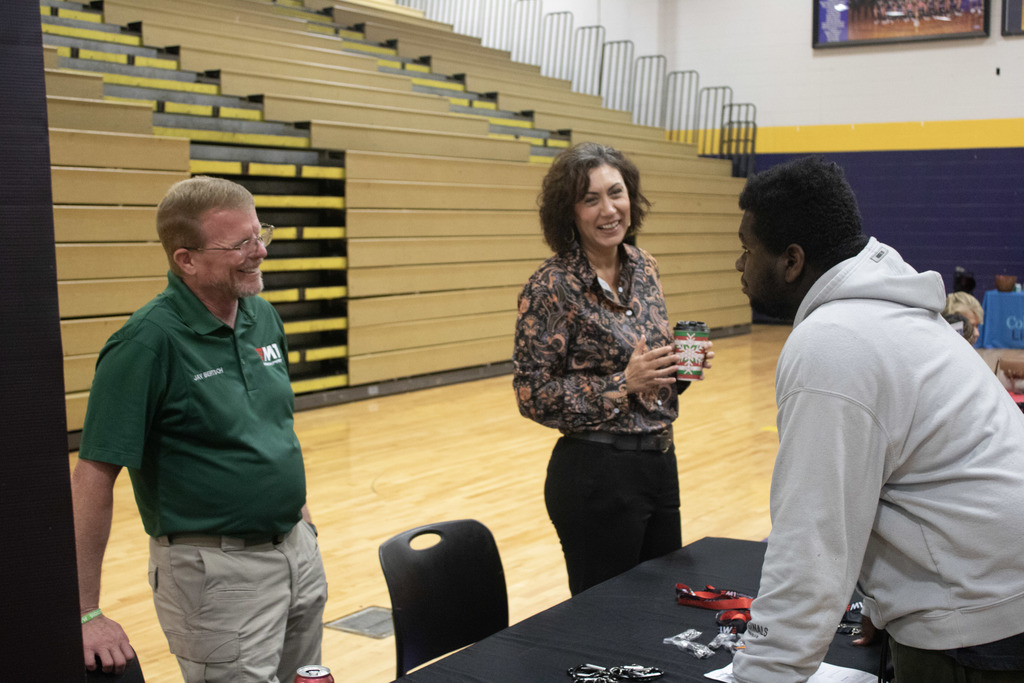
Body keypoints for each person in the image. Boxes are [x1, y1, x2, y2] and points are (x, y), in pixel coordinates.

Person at [730, 156, 1024, 682]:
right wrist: (884, 600)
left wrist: (763, 673)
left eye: (747, 249)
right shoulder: (891, 302)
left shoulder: (833, 342)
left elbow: (812, 543)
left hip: (979, 624)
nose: (740, 264)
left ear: (792, 260)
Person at [71, 176, 328, 682]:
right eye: (240, 244)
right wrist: (85, 612)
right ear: (185, 259)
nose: (259, 253)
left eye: (261, 235)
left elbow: (272, 428)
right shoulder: (145, 343)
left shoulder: (263, 317)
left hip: (296, 555)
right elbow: (93, 476)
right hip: (217, 576)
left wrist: (302, 523)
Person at [513, 142, 713, 596]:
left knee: (663, 605)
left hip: (660, 464)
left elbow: (650, 386)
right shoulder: (551, 286)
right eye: (591, 199)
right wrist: (625, 382)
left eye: (616, 193)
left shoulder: (645, 266)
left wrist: (677, 370)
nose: (609, 209)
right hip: (595, 476)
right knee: (607, 619)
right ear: (570, 212)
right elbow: (532, 395)